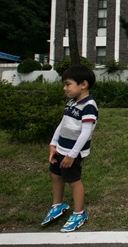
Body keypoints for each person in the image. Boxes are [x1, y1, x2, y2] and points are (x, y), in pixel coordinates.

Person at [41, 64, 98, 232]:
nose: (64, 88)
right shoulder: (71, 103)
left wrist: (72, 155)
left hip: (72, 153)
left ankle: (79, 213)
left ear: (83, 84)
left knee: (73, 181)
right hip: (60, 148)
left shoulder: (89, 106)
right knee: (55, 174)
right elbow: (63, 123)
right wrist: (53, 143)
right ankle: (58, 205)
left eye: (68, 84)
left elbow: (85, 133)